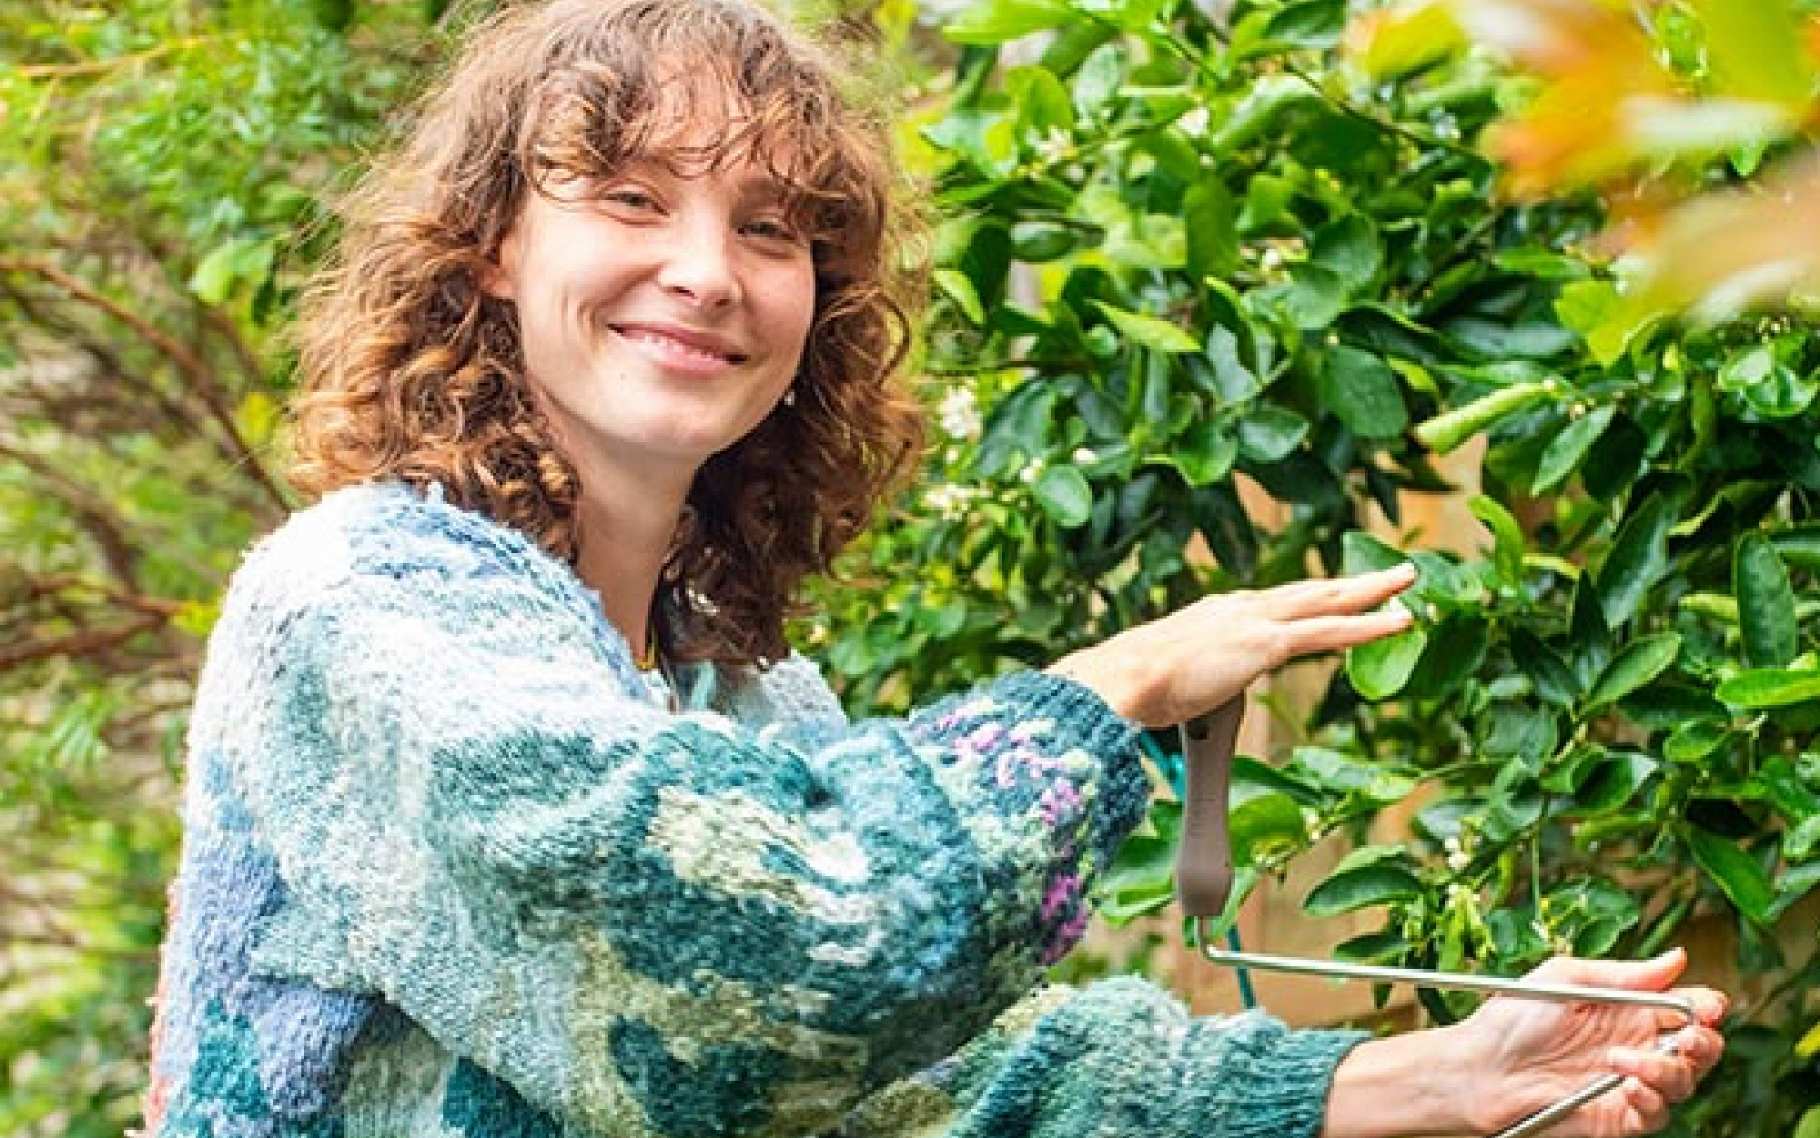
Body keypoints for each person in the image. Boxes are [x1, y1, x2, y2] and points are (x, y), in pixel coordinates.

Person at [140, 1, 1726, 1136]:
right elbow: (771, 960)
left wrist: (1436, 1075)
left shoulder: (736, 687)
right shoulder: (362, 602)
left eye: (773, 230)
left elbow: (930, 1080)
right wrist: (1109, 688)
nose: (705, 270)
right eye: (631, 199)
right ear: (496, 245)